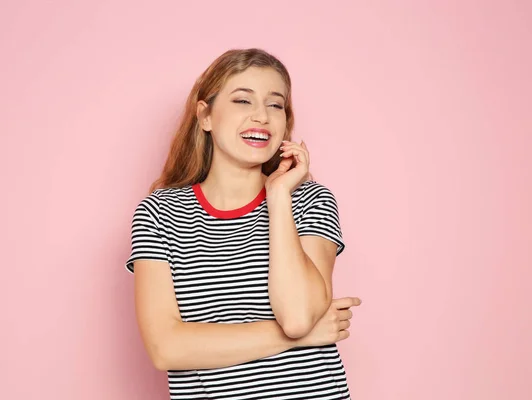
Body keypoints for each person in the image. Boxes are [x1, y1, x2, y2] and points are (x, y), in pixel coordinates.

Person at [125, 48, 362, 399]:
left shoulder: (310, 201)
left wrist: (279, 196)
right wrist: (302, 336)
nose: (261, 117)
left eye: (275, 104)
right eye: (242, 101)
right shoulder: (159, 213)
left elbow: (297, 315)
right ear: (204, 116)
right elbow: (166, 348)